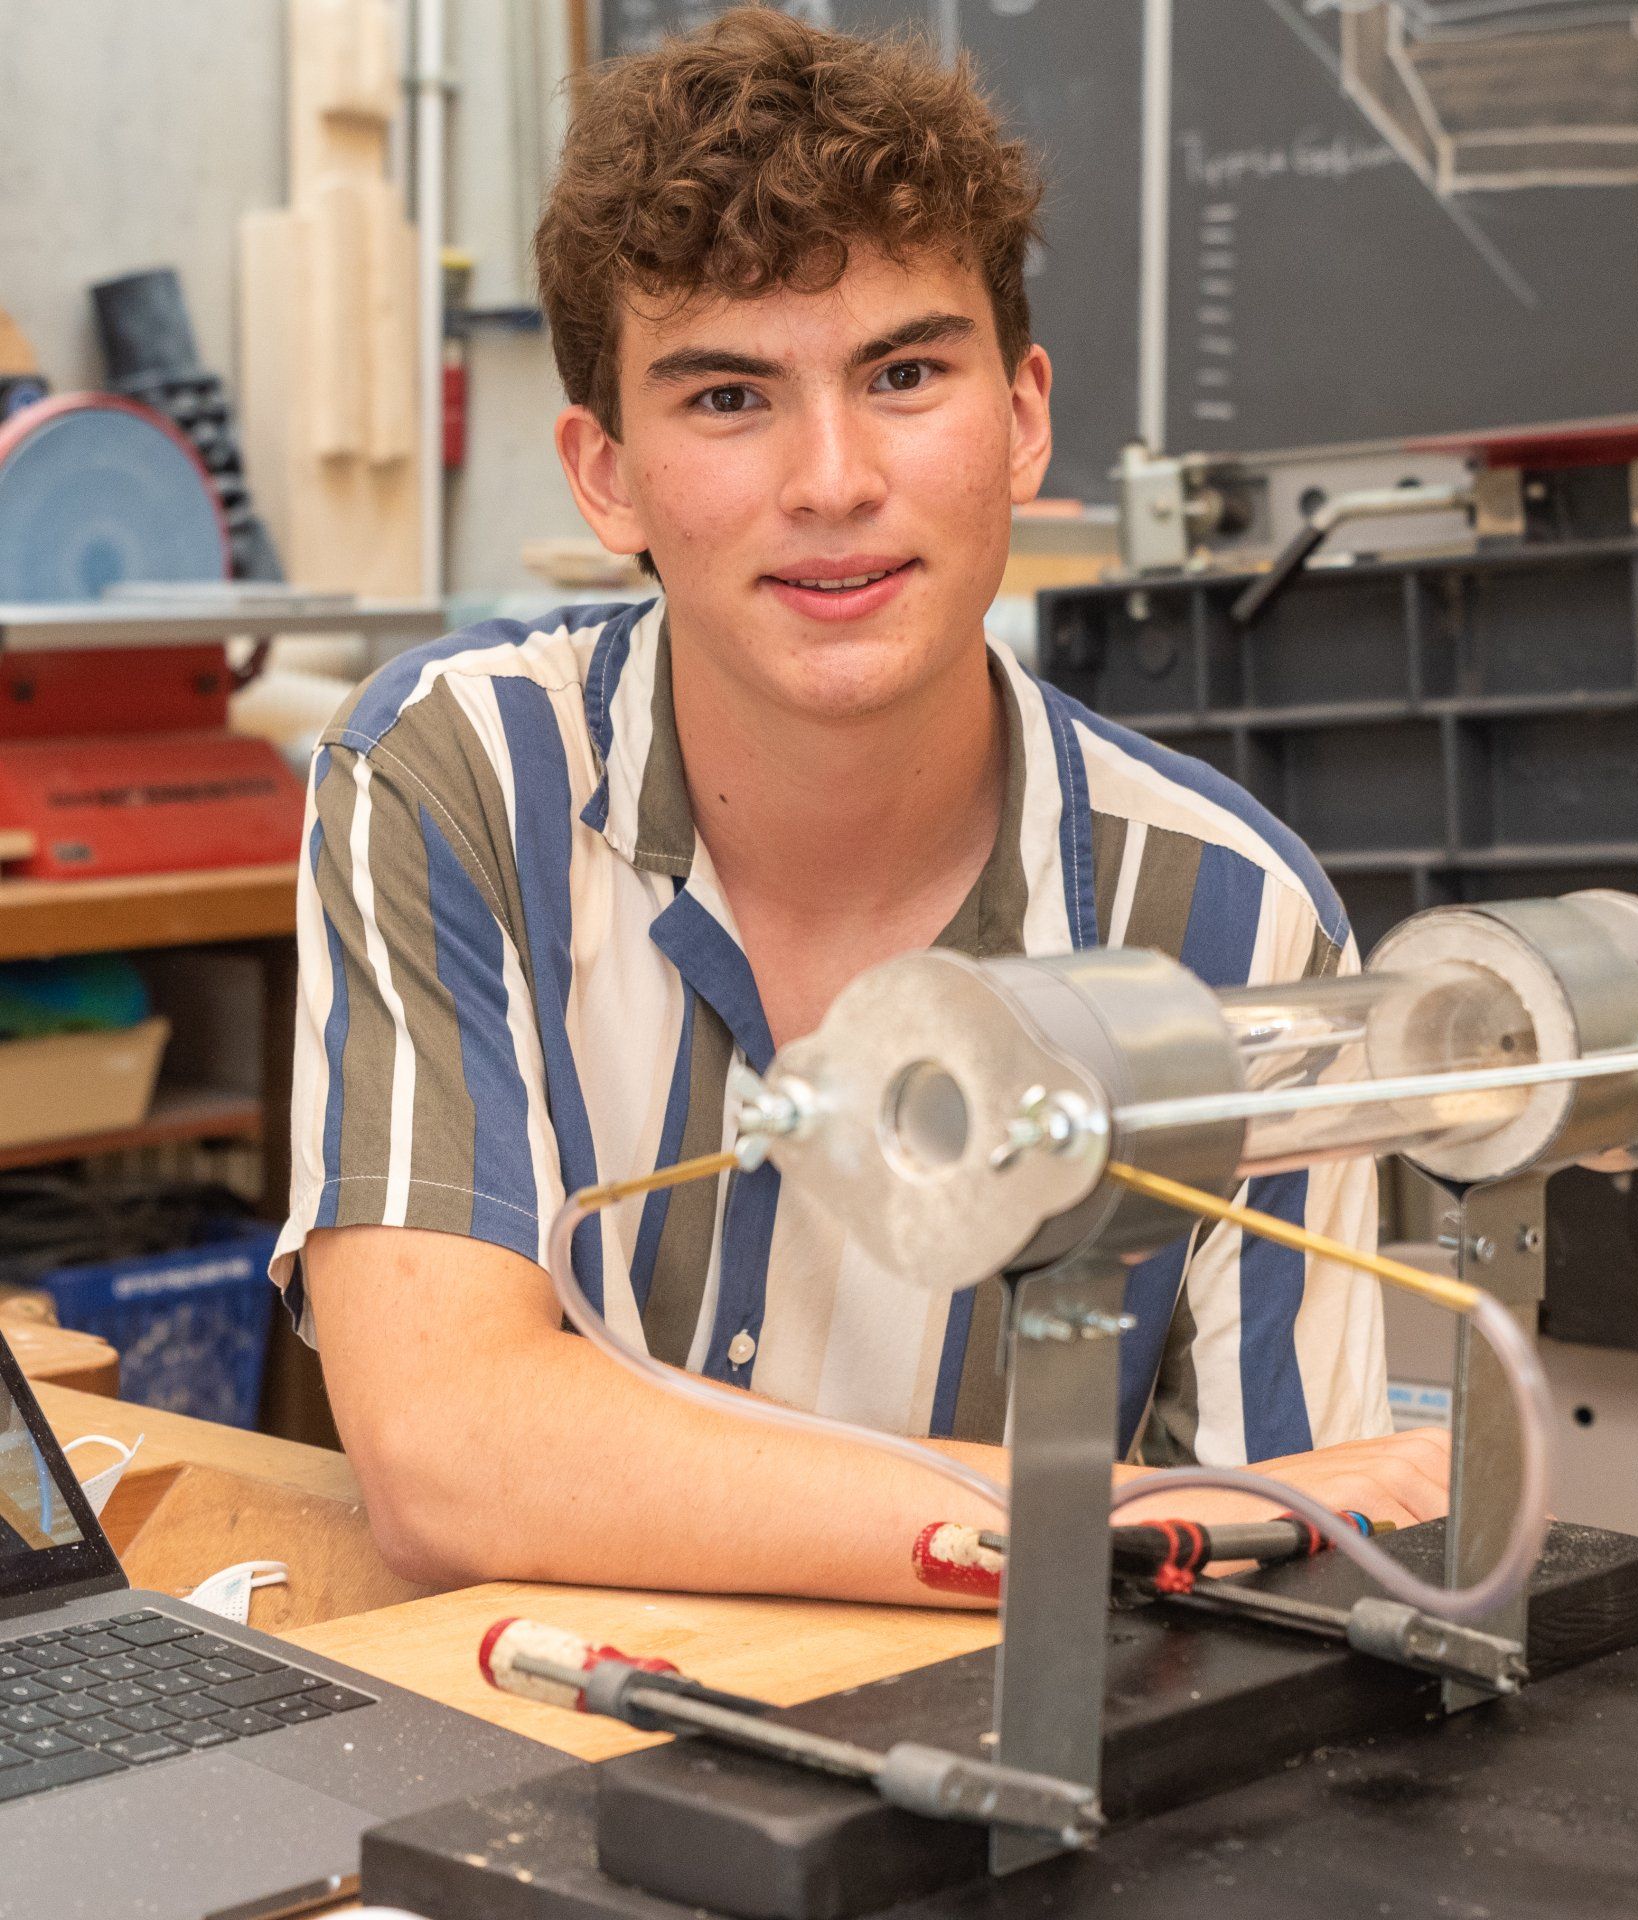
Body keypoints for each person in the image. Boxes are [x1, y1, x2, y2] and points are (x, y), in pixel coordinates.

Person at [273, 7, 1449, 1603]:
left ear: (1021, 418)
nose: (831, 479)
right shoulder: (457, 775)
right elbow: (446, 1453)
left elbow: (1295, 1558)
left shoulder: (1235, 923)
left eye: (904, 374)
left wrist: (1170, 1522)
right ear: (605, 474)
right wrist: (1115, 1514)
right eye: (727, 398)